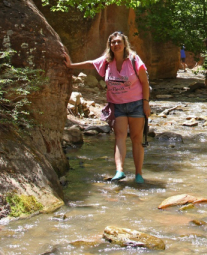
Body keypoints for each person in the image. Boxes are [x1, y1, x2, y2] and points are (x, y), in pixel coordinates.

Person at [64, 31, 150, 184]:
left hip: (136, 104)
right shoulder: (106, 61)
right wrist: (71, 65)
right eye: (113, 42)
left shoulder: (134, 60)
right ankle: (119, 171)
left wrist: (146, 103)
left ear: (125, 44)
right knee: (119, 137)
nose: (116, 45)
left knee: (137, 139)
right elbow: (91, 63)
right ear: (109, 45)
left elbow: (145, 82)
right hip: (117, 106)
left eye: (119, 42)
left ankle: (138, 174)